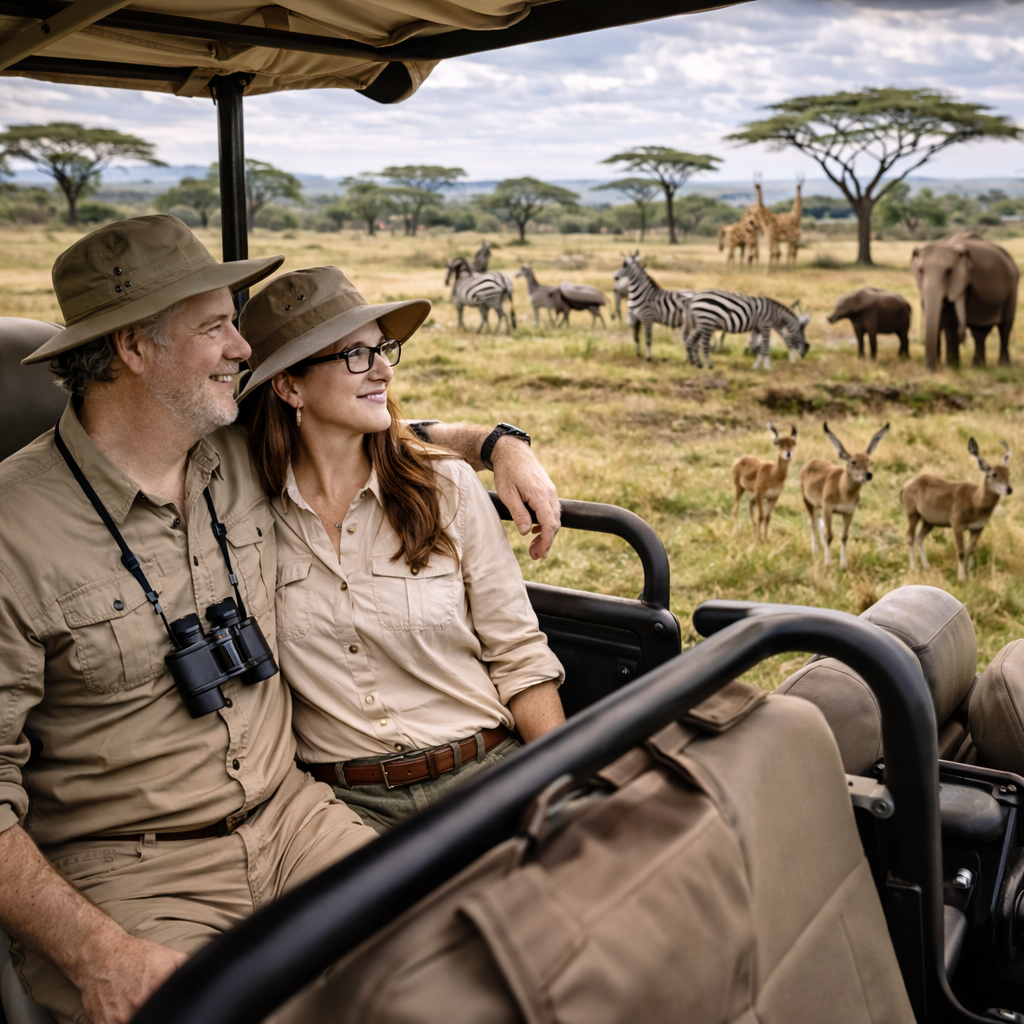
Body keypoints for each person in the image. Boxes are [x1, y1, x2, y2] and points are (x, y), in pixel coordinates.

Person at [0, 215, 562, 1024]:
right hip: (132, 872)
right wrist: (99, 955)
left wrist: (501, 443)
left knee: (457, 976)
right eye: (219, 327)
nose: (241, 349)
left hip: (296, 820)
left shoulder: (233, 450)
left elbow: (371, 419)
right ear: (132, 347)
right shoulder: (16, 528)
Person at [238, 267, 566, 831]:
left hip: (485, 770)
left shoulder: (444, 486)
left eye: (381, 349)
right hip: (343, 808)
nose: (384, 370)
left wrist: (566, 787)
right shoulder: (243, 505)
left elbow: (518, 655)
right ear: (289, 386)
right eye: (354, 356)